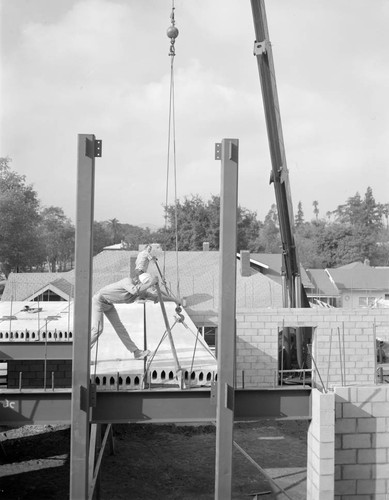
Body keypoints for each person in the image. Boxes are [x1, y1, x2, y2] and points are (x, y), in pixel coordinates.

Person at [90, 273, 177, 359]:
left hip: (109, 304)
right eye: (144, 285)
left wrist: (175, 300)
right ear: (137, 281)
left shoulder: (141, 291)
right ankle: (81, 352)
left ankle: (136, 352)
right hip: (99, 301)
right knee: (98, 329)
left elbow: (156, 297)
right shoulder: (127, 281)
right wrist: (151, 283)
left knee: (120, 328)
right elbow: (134, 290)